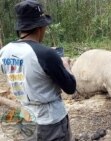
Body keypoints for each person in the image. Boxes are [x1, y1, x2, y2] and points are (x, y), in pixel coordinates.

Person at [0, 0, 76, 141]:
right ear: (40, 28)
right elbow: (71, 88)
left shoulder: (4, 51)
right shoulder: (46, 54)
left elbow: (21, 68)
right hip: (50, 122)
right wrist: (65, 65)